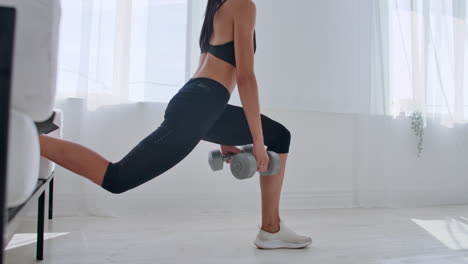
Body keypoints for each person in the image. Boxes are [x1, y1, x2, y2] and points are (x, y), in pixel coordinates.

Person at [40, 0, 312, 249]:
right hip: (198, 106)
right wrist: (256, 141)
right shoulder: (242, 5)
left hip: (201, 102)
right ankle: (33, 137)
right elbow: (245, 77)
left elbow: (209, 74)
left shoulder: (216, 8)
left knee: (278, 135)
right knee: (117, 178)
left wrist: (224, 135)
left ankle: (271, 229)